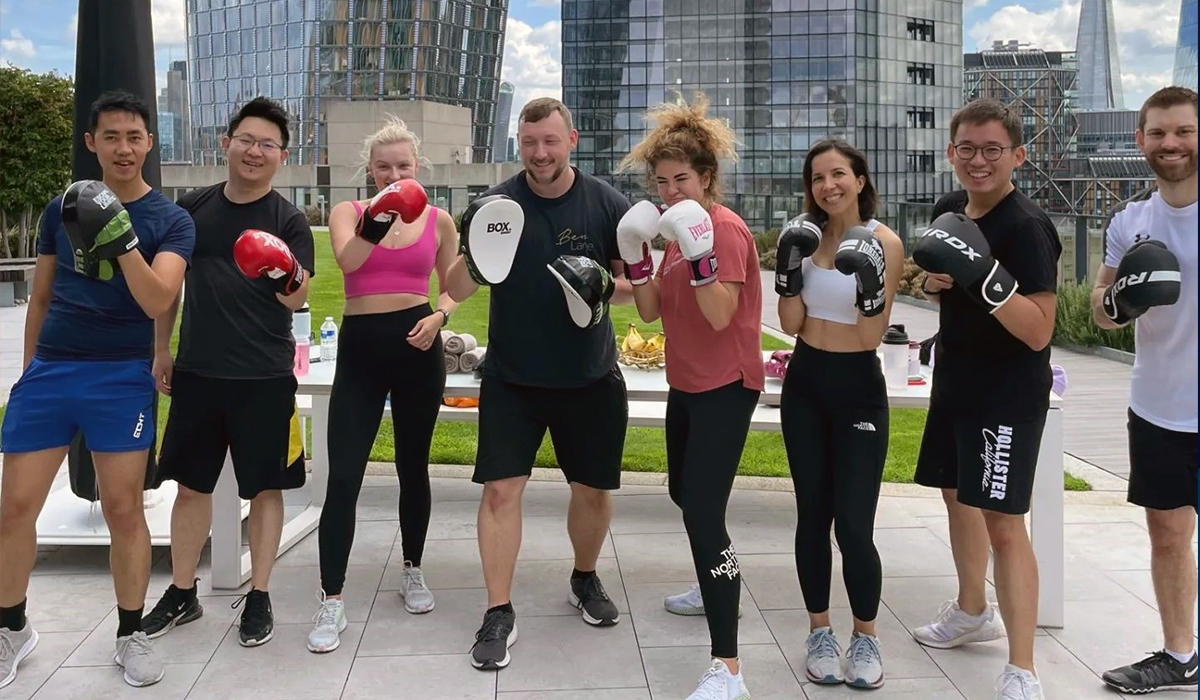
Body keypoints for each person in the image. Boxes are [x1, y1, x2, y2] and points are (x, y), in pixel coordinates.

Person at [0, 90, 195, 688]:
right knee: (13, 509)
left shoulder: (170, 220)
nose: (124, 148)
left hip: (120, 374)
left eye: (134, 137)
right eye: (111, 136)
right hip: (53, 370)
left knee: (122, 511)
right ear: (92, 144)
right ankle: (12, 629)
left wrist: (122, 238)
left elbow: (160, 299)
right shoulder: (64, 207)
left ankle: (130, 633)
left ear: (150, 143)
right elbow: (40, 297)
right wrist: (31, 370)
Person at [445, 97, 633, 671]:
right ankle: (498, 610)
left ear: (571, 139)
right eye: (529, 143)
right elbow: (455, 282)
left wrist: (601, 283)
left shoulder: (606, 203)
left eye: (550, 141)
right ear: (518, 143)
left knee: (593, 492)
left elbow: (637, 291)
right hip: (513, 377)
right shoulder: (496, 205)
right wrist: (477, 252)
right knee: (501, 493)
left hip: (590, 375)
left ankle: (584, 577)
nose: (540, 153)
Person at [139, 97, 314, 648]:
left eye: (268, 144)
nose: (255, 151)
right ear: (226, 142)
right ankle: (183, 591)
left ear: (281, 156)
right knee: (190, 487)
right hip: (199, 372)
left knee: (264, 490)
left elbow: (298, 299)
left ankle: (258, 593)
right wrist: (162, 348)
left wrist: (284, 266)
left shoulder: (287, 218)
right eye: (247, 139)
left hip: (264, 376)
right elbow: (169, 286)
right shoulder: (190, 210)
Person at [908, 98, 1062, 700]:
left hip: (1007, 394)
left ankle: (1022, 669)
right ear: (951, 153)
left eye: (992, 149)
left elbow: (1039, 329)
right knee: (957, 499)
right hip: (956, 380)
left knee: (1004, 523)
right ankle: (972, 610)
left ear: (1017, 156)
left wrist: (983, 276)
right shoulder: (950, 210)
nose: (978, 160)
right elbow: (942, 284)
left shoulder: (1026, 227)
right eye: (967, 148)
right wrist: (936, 280)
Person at [614, 93, 766, 700]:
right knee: (685, 494)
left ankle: (728, 667)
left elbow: (722, 311)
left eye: (682, 180)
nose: (671, 191)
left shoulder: (719, 229)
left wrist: (699, 253)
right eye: (662, 182)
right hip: (687, 381)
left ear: (708, 178)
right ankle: (712, 584)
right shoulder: (675, 232)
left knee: (704, 514)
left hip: (727, 384)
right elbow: (650, 313)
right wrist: (637, 256)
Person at [307, 117, 459, 653]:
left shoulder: (440, 221)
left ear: (416, 167)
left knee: (412, 467)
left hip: (418, 346)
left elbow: (455, 284)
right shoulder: (349, 212)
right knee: (344, 475)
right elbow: (349, 259)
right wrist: (384, 212)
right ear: (370, 172)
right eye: (383, 167)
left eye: (403, 166)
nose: (393, 174)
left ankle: (413, 568)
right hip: (363, 348)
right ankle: (332, 599)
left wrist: (440, 316)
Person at [773, 140, 903, 689]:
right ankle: (819, 631)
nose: (829, 185)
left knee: (854, 524)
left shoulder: (885, 243)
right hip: (805, 383)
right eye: (818, 177)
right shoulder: (802, 235)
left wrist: (869, 288)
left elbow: (872, 334)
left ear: (860, 178)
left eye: (839, 174)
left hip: (857, 388)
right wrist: (788, 270)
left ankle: (866, 637)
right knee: (812, 516)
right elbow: (791, 322)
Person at [1090, 86, 1197, 695]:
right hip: (1157, 404)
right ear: (1141, 141)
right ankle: (1181, 655)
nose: (1171, 144)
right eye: (1158, 133)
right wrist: (1120, 301)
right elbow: (1102, 313)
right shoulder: (1130, 221)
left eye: (1183, 131)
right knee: (1168, 535)